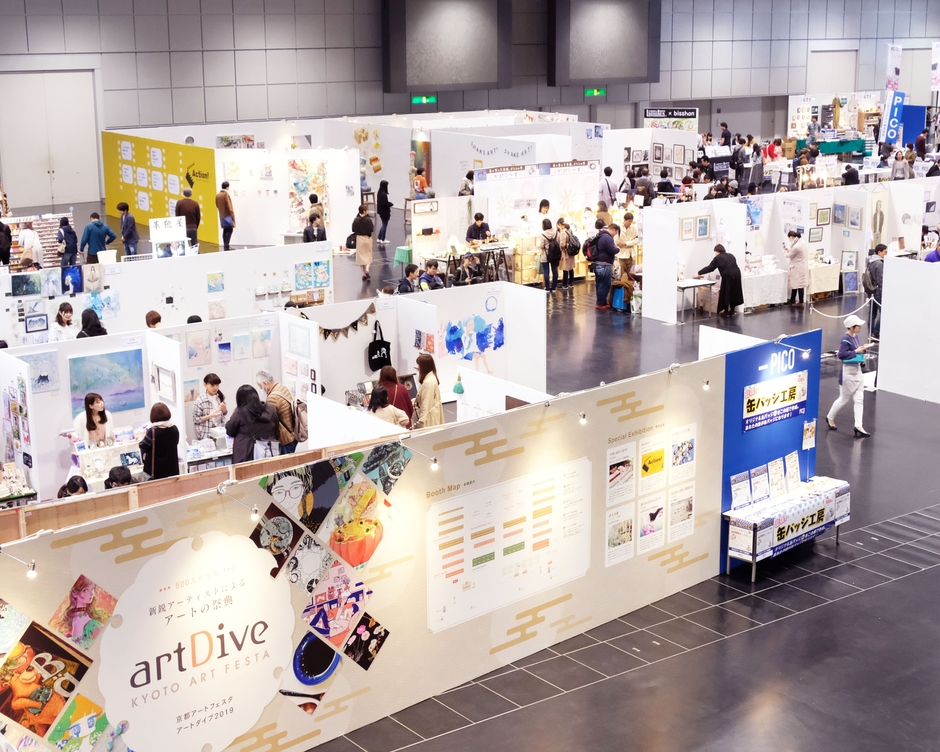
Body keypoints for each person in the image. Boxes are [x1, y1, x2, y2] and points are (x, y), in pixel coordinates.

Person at [826, 314, 874, 437]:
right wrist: (857, 351)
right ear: (852, 327)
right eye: (858, 326)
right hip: (848, 374)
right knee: (843, 398)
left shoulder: (855, 337)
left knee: (859, 399)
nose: (860, 328)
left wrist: (862, 349)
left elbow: (853, 352)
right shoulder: (845, 339)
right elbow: (841, 355)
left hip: (857, 371)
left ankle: (858, 425)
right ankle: (830, 417)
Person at [225, 384, 278, 464]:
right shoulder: (270, 409)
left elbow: (230, 430)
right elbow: (276, 427)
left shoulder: (240, 412)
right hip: (269, 450)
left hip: (246, 452)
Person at [696, 244, 744, 316]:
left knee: (725, 292)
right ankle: (732, 310)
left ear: (717, 251)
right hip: (737, 274)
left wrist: (699, 272)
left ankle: (726, 310)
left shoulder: (718, 258)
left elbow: (710, 268)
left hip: (728, 275)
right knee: (734, 292)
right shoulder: (731, 255)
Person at [256, 369, 296, 454]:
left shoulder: (272, 397)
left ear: (265, 383)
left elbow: (268, 420)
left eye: (260, 386)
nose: (260, 389)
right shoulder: (281, 387)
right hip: (293, 431)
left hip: (286, 437)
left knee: (285, 461)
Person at [139, 402, 180, 480]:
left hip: (156, 472)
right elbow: (176, 443)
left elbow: (143, 446)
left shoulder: (152, 431)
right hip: (172, 469)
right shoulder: (174, 429)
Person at [192, 373, 227, 439]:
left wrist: (224, 410)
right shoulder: (200, 400)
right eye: (212, 385)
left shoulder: (220, 397)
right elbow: (196, 419)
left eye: (217, 385)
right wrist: (211, 416)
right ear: (205, 384)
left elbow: (224, 414)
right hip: (206, 434)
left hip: (219, 432)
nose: (215, 388)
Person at [414, 353, 444, 429]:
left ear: (424, 366)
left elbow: (426, 403)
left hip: (428, 421)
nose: (418, 367)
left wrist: (420, 422)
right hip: (429, 417)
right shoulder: (430, 379)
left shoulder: (429, 382)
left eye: (419, 365)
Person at [593, 222, 618, 310]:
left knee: (599, 284)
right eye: (616, 233)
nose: (615, 235)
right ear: (613, 230)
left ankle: (601, 301)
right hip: (604, 264)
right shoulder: (608, 238)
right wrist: (618, 248)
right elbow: (612, 250)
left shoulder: (600, 236)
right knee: (604, 284)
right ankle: (600, 303)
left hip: (597, 263)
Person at [783, 230, 809, 305]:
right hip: (801, 266)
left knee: (799, 285)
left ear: (791, 237)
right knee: (796, 284)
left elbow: (788, 255)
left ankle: (800, 302)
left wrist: (783, 251)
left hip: (798, 268)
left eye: (789, 238)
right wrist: (789, 249)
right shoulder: (801, 242)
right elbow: (795, 251)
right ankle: (793, 299)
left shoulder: (796, 246)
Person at [868, 244, 887, 339]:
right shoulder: (879, 264)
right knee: (883, 313)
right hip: (878, 292)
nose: (886, 254)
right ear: (879, 252)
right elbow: (880, 280)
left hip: (871, 291)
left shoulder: (870, 261)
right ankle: (876, 332)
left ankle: (870, 332)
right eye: (885, 252)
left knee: (872, 313)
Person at [352, 204, 374, 281]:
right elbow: (371, 229)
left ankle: (364, 273)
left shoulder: (356, 220)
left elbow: (353, 229)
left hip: (360, 239)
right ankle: (367, 269)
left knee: (360, 257)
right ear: (364, 211)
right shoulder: (368, 220)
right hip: (367, 238)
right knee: (368, 254)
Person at [537, 218, 559, 293]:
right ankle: (553, 287)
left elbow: (541, 246)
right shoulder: (556, 232)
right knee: (554, 270)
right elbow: (558, 242)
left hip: (545, 255)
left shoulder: (543, 235)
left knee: (546, 271)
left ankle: (547, 287)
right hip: (555, 254)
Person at [216, 181, 236, 250]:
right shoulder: (226, 195)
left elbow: (217, 205)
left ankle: (225, 245)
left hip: (222, 215)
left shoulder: (218, 195)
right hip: (227, 215)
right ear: (227, 187)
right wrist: (232, 215)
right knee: (230, 230)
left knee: (225, 230)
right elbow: (229, 207)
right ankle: (227, 246)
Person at [557, 218, 576, 290]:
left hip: (565, 252)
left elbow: (562, 244)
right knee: (571, 268)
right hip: (571, 251)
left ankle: (564, 284)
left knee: (565, 268)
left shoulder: (563, 232)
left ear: (560, 224)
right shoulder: (570, 230)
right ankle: (571, 283)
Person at [376, 179, 392, 245]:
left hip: (380, 211)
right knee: (384, 225)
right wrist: (390, 204)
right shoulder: (384, 194)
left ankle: (379, 238)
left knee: (383, 224)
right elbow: (385, 204)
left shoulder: (379, 193)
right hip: (385, 211)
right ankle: (382, 239)